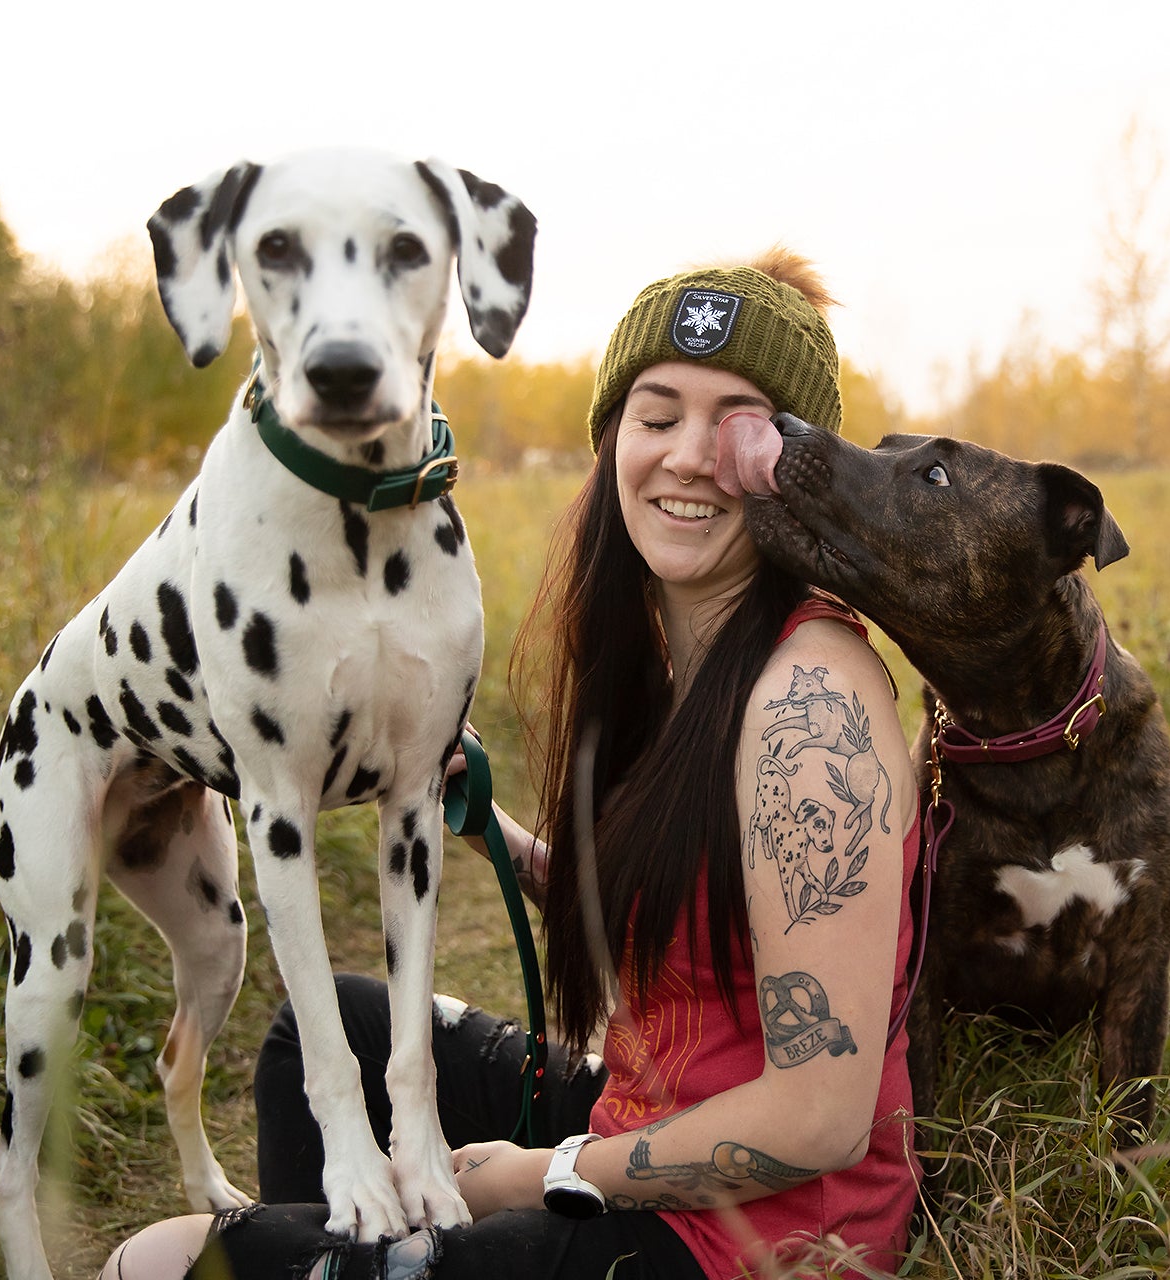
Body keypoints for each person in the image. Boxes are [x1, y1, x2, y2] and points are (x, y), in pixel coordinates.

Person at [101, 250, 921, 1280]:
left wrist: (543, 1170)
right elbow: (689, 922)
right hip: (661, 1108)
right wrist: (499, 833)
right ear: (613, 438)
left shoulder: (811, 706)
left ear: (794, 462)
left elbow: (821, 1113)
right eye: (657, 415)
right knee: (333, 1032)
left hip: (760, 1238)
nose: (688, 456)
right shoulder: (685, 663)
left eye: (739, 423)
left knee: (159, 1261)